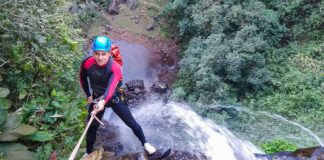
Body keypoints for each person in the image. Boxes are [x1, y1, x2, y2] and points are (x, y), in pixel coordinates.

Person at [79, 36, 156, 155]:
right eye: (97, 53)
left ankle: (145, 143)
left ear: (109, 53)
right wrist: (88, 94)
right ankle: (88, 152)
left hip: (114, 97)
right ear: (93, 52)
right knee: (92, 127)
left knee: (130, 122)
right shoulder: (87, 63)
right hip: (97, 97)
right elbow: (83, 79)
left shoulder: (115, 67)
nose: (100, 57)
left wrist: (103, 101)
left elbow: (111, 87)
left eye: (103, 54)